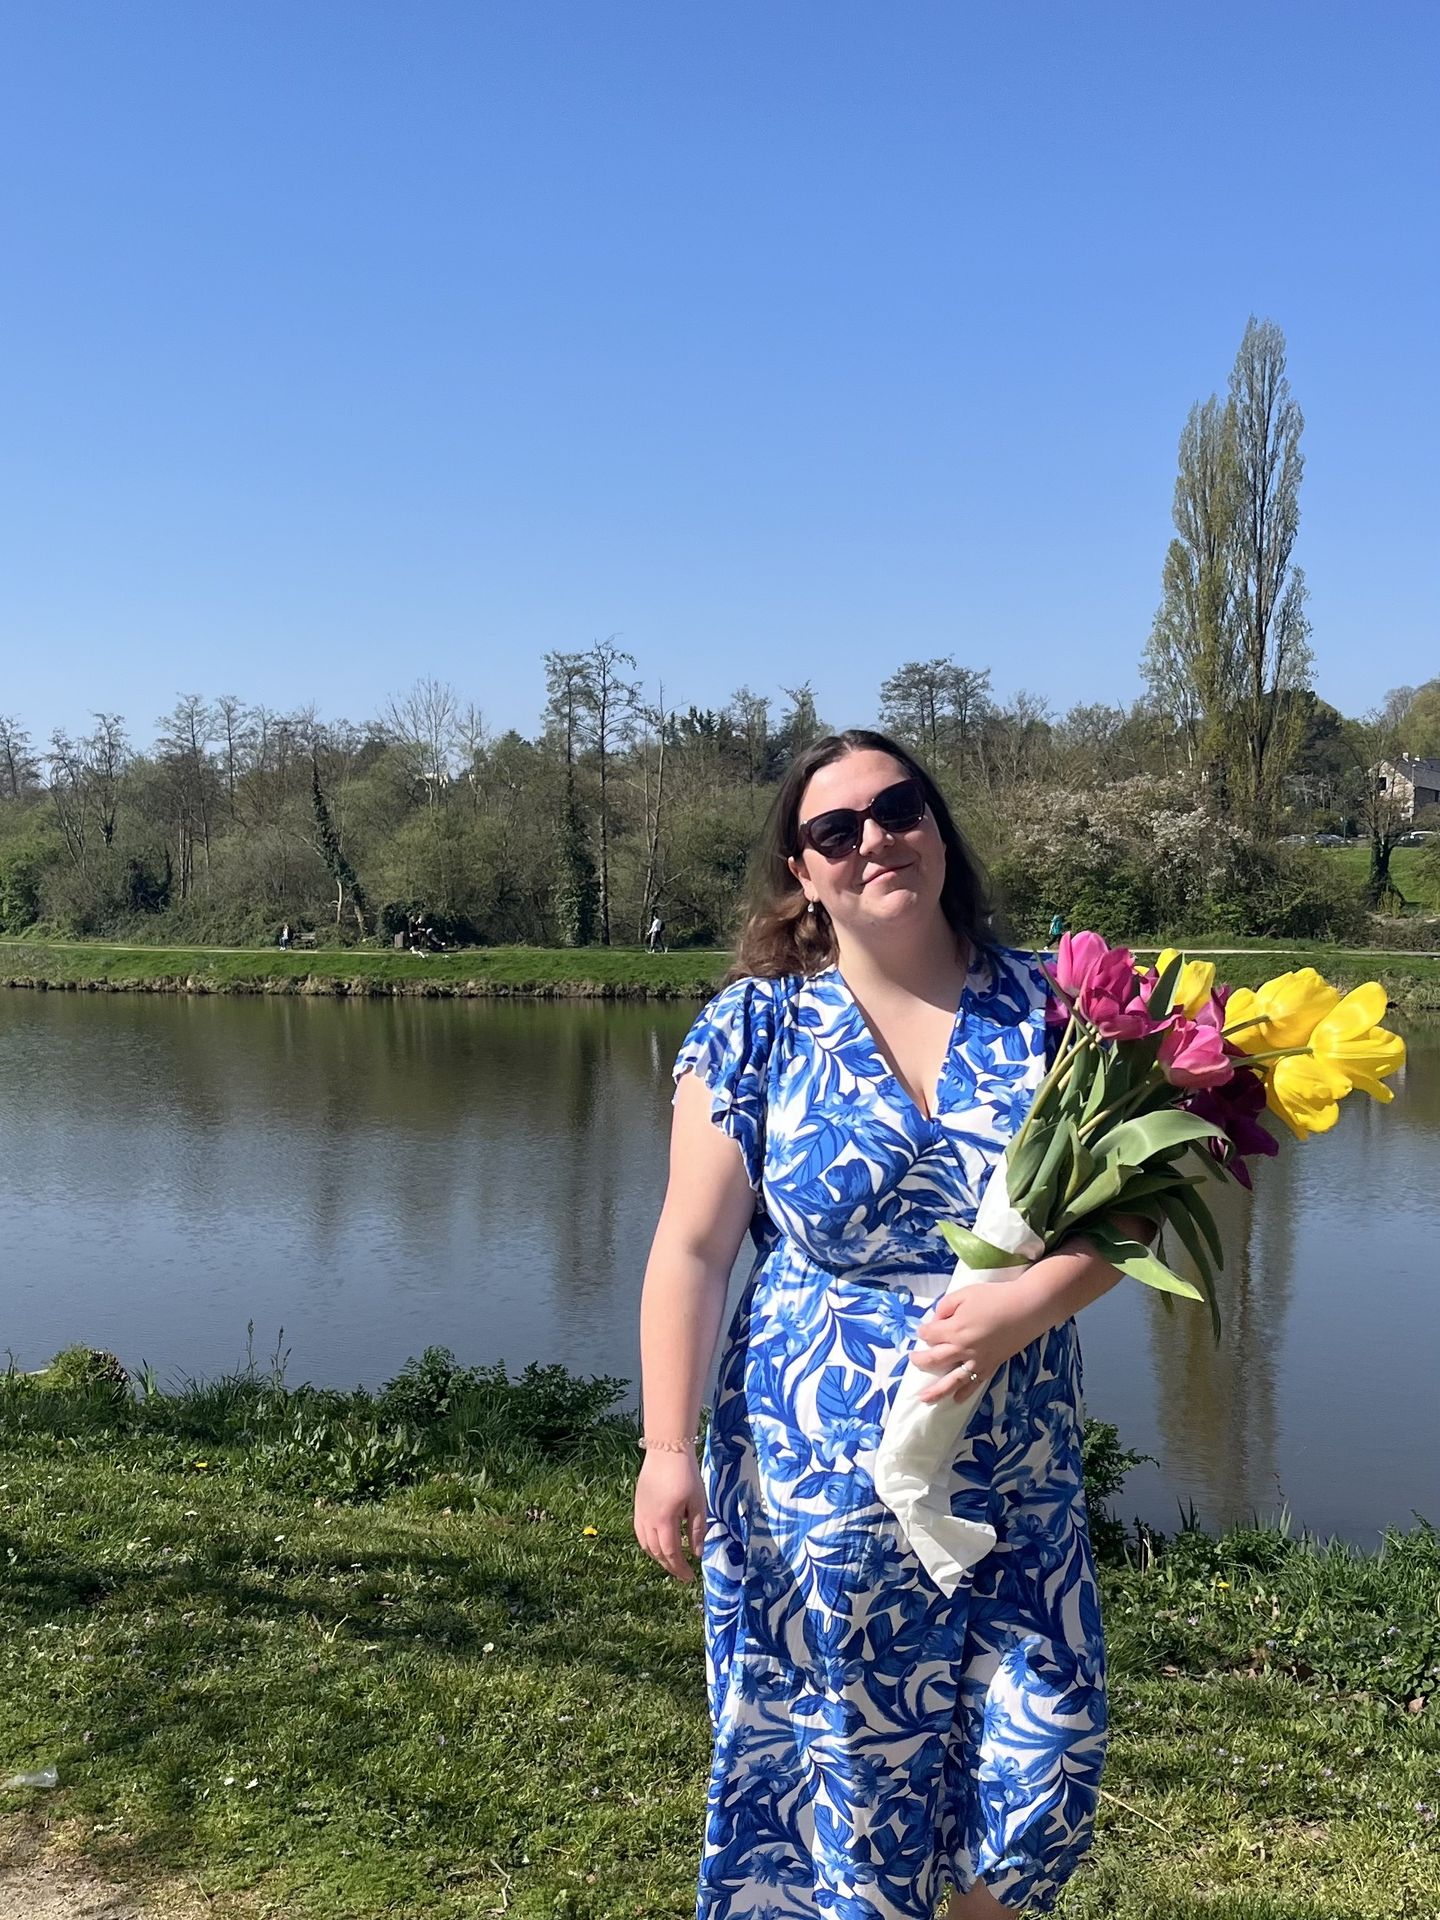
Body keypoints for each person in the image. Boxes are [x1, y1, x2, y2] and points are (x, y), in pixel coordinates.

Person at [635, 730, 1142, 1919]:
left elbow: (1132, 1220)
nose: (876, 840)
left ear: (939, 823)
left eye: (899, 807)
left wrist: (1027, 1302)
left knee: (1047, 1753)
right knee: (857, 1779)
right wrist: (666, 1449)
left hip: (1015, 1464)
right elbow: (694, 1249)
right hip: (820, 1478)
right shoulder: (755, 1030)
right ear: (801, 873)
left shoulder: (1054, 1010)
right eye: (836, 830)